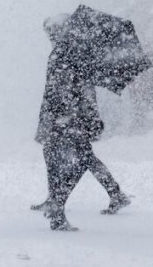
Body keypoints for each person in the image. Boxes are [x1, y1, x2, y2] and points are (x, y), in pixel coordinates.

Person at [32, 15, 130, 231]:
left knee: (79, 159)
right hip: (63, 117)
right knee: (65, 156)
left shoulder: (67, 53)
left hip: (68, 118)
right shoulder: (65, 51)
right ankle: (111, 194)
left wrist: (81, 117)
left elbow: (75, 90)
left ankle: (57, 206)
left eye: (51, 30)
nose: (49, 35)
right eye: (47, 31)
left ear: (61, 30)